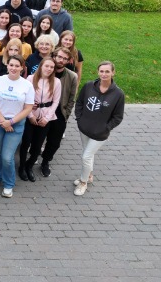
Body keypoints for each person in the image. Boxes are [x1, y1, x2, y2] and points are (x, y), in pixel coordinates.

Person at [72, 61, 125, 196]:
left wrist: (106, 128)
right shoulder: (89, 86)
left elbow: (118, 117)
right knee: (87, 153)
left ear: (113, 73)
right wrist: (79, 119)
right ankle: (89, 175)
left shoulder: (118, 94)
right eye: (101, 71)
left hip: (100, 133)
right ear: (98, 72)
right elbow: (79, 102)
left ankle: (83, 182)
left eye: (107, 71)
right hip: (84, 128)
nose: (104, 74)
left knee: (86, 157)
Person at [0, 55, 34, 197]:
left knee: (7, 157)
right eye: (11, 65)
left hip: (16, 124)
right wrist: (3, 121)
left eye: (16, 65)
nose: (13, 68)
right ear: (7, 66)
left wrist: (11, 122)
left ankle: (8, 183)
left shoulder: (27, 85)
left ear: (22, 67)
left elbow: (28, 108)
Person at [39, 47, 79, 178]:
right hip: (43, 110)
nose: (61, 60)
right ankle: (33, 157)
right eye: (59, 57)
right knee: (38, 138)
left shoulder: (72, 76)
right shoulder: (46, 71)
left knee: (54, 142)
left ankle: (45, 161)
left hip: (59, 113)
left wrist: (66, 114)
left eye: (65, 58)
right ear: (54, 56)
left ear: (68, 61)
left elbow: (72, 98)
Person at [18, 58, 60, 182]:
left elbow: (56, 101)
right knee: (26, 142)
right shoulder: (31, 78)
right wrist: (30, 115)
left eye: (52, 67)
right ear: (41, 66)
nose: (49, 69)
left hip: (45, 116)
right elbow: (25, 98)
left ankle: (29, 165)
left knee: (37, 146)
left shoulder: (56, 82)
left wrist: (47, 118)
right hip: (31, 114)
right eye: (46, 66)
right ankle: (21, 167)